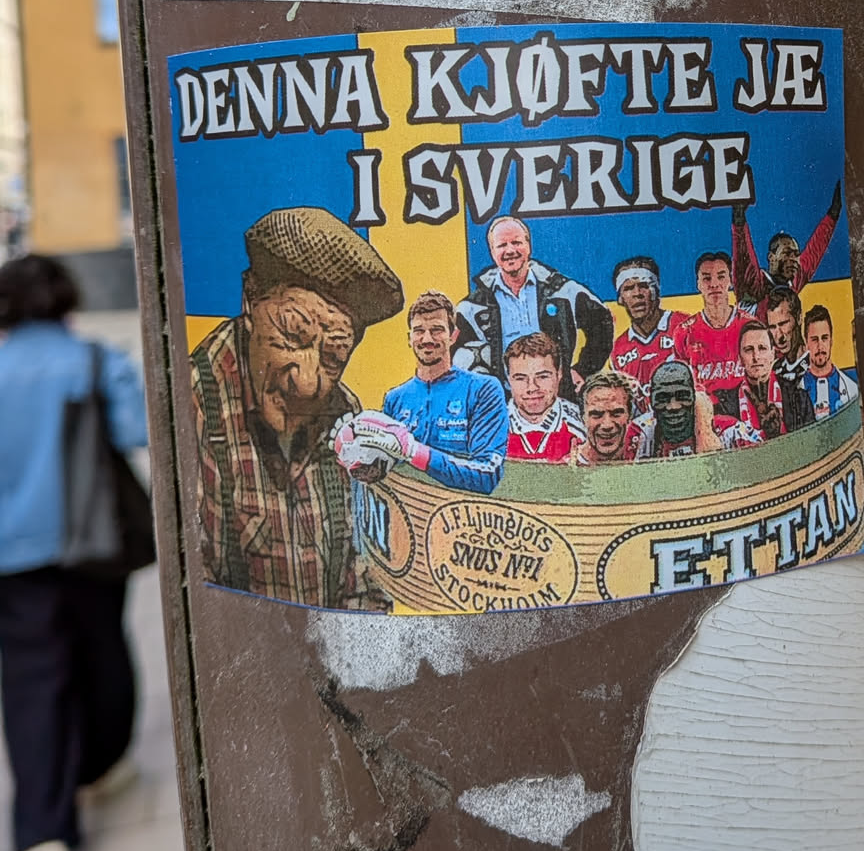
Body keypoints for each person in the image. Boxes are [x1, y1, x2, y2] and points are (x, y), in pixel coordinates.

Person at [0, 254, 148, 851]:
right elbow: (138, 430)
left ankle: (42, 834)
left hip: (10, 557)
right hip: (91, 542)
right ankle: (101, 765)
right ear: (66, 300)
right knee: (104, 653)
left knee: (31, 682)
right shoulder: (93, 361)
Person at [189, 206, 404, 610]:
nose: (307, 382)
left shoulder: (344, 416)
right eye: (293, 335)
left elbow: (366, 578)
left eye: (333, 357)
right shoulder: (195, 404)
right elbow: (201, 604)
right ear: (250, 299)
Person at [332, 291, 508, 493]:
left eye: (437, 330)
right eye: (419, 331)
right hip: (410, 510)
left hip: (462, 511)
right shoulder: (395, 399)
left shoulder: (483, 389)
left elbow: (487, 476)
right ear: (409, 338)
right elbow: (386, 474)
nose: (427, 339)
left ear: (453, 336)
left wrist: (414, 451)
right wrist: (357, 457)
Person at [455, 217, 613, 403]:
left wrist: (582, 370)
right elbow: (456, 357)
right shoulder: (472, 307)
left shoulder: (562, 291)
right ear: (492, 251)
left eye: (516, 242)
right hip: (504, 403)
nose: (510, 250)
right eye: (502, 245)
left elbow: (602, 321)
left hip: (558, 400)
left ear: (528, 246)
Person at [731, 180, 843, 314]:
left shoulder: (792, 283)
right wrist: (739, 221)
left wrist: (833, 215)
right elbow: (743, 257)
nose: (794, 259)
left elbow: (815, 251)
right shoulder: (756, 284)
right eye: (787, 253)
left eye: (796, 254)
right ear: (771, 257)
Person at [713, 318, 815, 442]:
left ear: (773, 354)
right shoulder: (725, 404)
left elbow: (811, 445)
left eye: (762, 348)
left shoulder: (798, 398)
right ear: (740, 358)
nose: (756, 357)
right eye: (749, 350)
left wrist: (777, 432)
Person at [631, 359, 757, 459]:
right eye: (662, 399)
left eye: (682, 396)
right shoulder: (641, 434)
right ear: (651, 401)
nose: (673, 406)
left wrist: (706, 432)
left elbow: (759, 464)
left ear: (693, 397)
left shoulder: (729, 431)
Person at [675, 251, 747, 399]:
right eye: (707, 278)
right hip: (706, 410)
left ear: (730, 281)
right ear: (698, 284)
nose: (714, 284)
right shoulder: (684, 332)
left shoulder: (750, 325)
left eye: (721, 277)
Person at [609, 255, 687, 392]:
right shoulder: (617, 350)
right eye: (628, 288)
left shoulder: (686, 326)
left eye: (644, 286)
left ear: (656, 291)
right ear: (620, 299)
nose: (637, 293)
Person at [504, 333, 585, 462]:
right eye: (520, 378)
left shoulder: (583, 424)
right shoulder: (489, 428)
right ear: (509, 380)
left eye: (542, 377)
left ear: (559, 375)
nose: (532, 387)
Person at [572, 370, 642, 468]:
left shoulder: (645, 454)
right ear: (583, 418)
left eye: (616, 414)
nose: (607, 425)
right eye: (596, 415)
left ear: (629, 415)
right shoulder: (564, 465)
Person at [802, 304, 859, 420]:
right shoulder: (797, 388)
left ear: (831, 341)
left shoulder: (851, 388)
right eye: (814, 340)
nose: (820, 346)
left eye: (824, 338)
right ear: (806, 343)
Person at [765, 287, 809, 393]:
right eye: (772, 327)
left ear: (799, 318)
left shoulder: (815, 363)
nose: (779, 335)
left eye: (783, 324)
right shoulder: (774, 369)